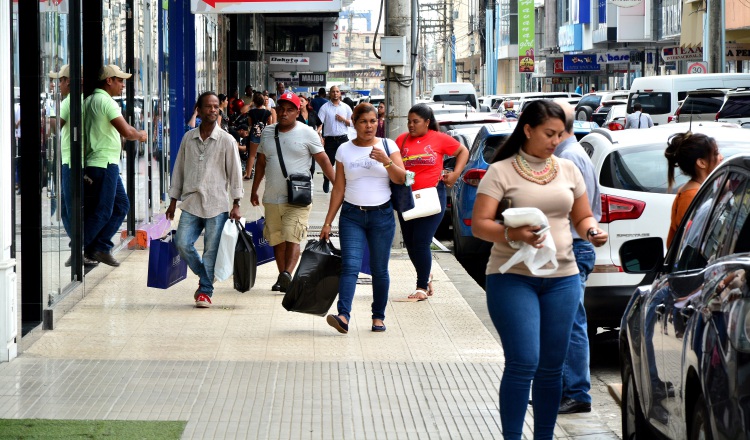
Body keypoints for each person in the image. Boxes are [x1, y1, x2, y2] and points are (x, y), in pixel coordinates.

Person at [470, 100, 608, 440]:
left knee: (551, 368)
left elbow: (582, 216)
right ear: (528, 130)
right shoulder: (501, 170)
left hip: (562, 278)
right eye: (549, 133)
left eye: (560, 134)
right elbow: (478, 224)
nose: (555, 141)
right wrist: (511, 233)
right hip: (512, 277)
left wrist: (592, 231)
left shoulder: (568, 169)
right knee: (524, 361)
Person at [319, 103, 407, 334]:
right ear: (354, 123)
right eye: (363, 122)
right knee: (350, 266)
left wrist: (386, 161)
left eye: (373, 121)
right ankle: (343, 316)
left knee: (379, 269)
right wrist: (328, 222)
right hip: (352, 216)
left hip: (382, 216)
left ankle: (378, 317)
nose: (369, 126)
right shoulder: (344, 150)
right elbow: (338, 188)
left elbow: (402, 179)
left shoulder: (388, 146)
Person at [250, 91, 335, 292]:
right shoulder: (269, 132)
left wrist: (338, 185)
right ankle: (283, 277)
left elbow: (323, 160)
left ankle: (287, 273)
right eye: (281, 109)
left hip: (299, 196)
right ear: (276, 110)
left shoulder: (308, 133)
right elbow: (261, 162)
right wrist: (254, 190)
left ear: (298, 112)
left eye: (290, 110)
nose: (284, 113)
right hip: (272, 196)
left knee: (293, 236)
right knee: (277, 239)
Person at [167, 91, 244, 308]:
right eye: (208, 106)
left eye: (216, 106)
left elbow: (235, 173)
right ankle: (206, 276)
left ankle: (205, 291)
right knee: (182, 243)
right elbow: (179, 170)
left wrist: (236, 202)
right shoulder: (188, 138)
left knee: (211, 250)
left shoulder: (227, 140)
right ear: (198, 110)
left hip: (217, 203)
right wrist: (173, 200)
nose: (213, 110)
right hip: (191, 202)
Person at [395, 103, 469, 300]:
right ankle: (425, 274)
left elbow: (463, 152)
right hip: (407, 198)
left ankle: (421, 287)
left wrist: (455, 174)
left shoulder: (440, 138)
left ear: (427, 122)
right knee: (410, 243)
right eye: (409, 121)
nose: (411, 125)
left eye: (416, 122)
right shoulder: (401, 140)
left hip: (432, 197)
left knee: (421, 242)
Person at [555, 102, 602, 415]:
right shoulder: (570, 154)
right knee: (563, 323)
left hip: (572, 246)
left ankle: (577, 393)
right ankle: (562, 390)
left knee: (572, 323)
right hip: (570, 245)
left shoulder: (569, 157)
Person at [82, 64, 147, 267]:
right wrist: (141, 135)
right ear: (108, 80)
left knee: (121, 205)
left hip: (100, 162)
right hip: (104, 163)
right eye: (120, 81)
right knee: (104, 210)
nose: (123, 85)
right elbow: (127, 132)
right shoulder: (106, 102)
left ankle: (99, 247)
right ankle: (81, 247)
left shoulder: (90, 100)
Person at [664, 132, 723, 247]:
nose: (721, 157)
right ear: (701, 163)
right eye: (716, 154)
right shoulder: (692, 196)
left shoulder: (694, 191)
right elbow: (691, 242)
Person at [318, 86, 353, 193]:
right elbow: (320, 123)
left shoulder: (346, 107)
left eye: (337, 91)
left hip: (343, 139)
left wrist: (343, 120)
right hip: (330, 140)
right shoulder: (324, 107)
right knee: (328, 162)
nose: (335, 94)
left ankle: (345, 184)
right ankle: (326, 180)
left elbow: (352, 123)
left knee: (345, 162)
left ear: (340, 93)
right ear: (330, 93)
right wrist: (318, 134)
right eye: (333, 92)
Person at [244, 92, 273, 180]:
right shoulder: (267, 112)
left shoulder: (251, 112)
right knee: (263, 156)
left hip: (254, 134)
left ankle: (248, 174)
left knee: (252, 155)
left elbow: (250, 123)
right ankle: (262, 175)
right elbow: (270, 124)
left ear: (254, 102)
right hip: (264, 135)